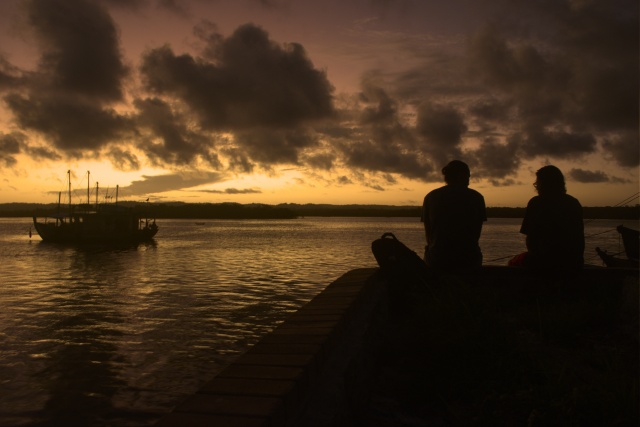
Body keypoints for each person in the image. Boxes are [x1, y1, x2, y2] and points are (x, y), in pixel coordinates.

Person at [421, 160, 487, 270]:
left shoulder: (430, 197)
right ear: (462, 176)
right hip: (468, 260)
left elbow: (429, 235)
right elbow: (476, 234)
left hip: (437, 260)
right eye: (468, 176)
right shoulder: (477, 197)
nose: (469, 181)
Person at [519, 165, 584, 271]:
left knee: (514, 262)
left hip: (544, 264)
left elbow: (531, 240)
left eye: (537, 182)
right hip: (574, 264)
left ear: (542, 184)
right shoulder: (573, 202)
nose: (536, 185)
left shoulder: (536, 202)